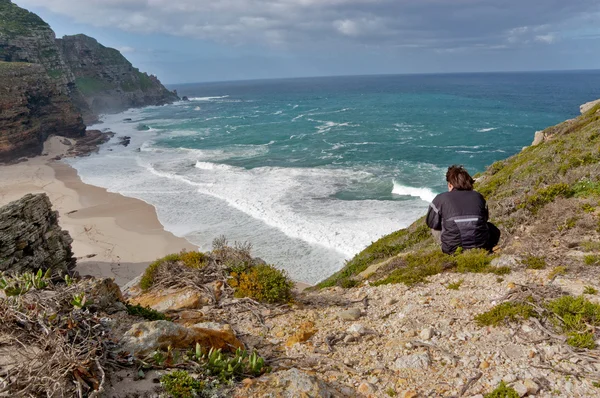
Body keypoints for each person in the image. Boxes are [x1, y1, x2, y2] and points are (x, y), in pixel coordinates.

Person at [426, 165, 500, 255]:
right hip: (481, 247)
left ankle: (446, 250)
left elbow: (431, 222)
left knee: (435, 228)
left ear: (450, 185)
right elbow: (485, 219)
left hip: (452, 250)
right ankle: (488, 249)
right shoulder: (478, 196)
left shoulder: (441, 198)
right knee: (490, 226)